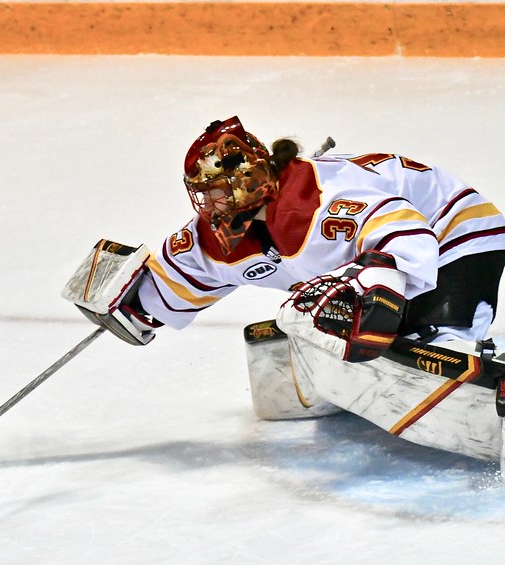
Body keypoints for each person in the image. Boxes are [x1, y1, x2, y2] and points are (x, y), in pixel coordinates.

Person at [63, 116, 505, 460]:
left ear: (247, 184)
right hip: (394, 247)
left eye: (215, 192)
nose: (208, 205)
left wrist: (372, 293)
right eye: (202, 194)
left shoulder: (321, 201)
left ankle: (447, 352)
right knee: (329, 308)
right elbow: (175, 278)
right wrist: (127, 300)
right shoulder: (218, 234)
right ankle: (353, 350)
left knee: (429, 339)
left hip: (455, 233)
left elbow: (407, 236)